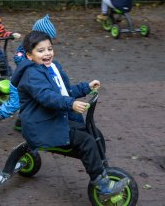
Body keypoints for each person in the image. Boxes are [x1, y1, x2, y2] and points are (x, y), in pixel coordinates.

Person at [10, 30, 129, 196]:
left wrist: (85, 87)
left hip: (51, 119)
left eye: (49, 49)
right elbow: (47, 97)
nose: (47, 53)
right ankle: (102, 185)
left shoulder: (50, 68)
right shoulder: (31, 75)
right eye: (41, 50)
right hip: (41, 127)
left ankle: (101, 169)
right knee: (86, 141)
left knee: (95, 134)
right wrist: (71, 104)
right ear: (29, 56)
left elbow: (64, 91)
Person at [13, 14, 57, 131]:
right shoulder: (25, 46)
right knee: (24, 100)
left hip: (37, 74)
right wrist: (30, 63)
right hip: (25, 78)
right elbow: (18, 58)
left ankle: (21, 120)